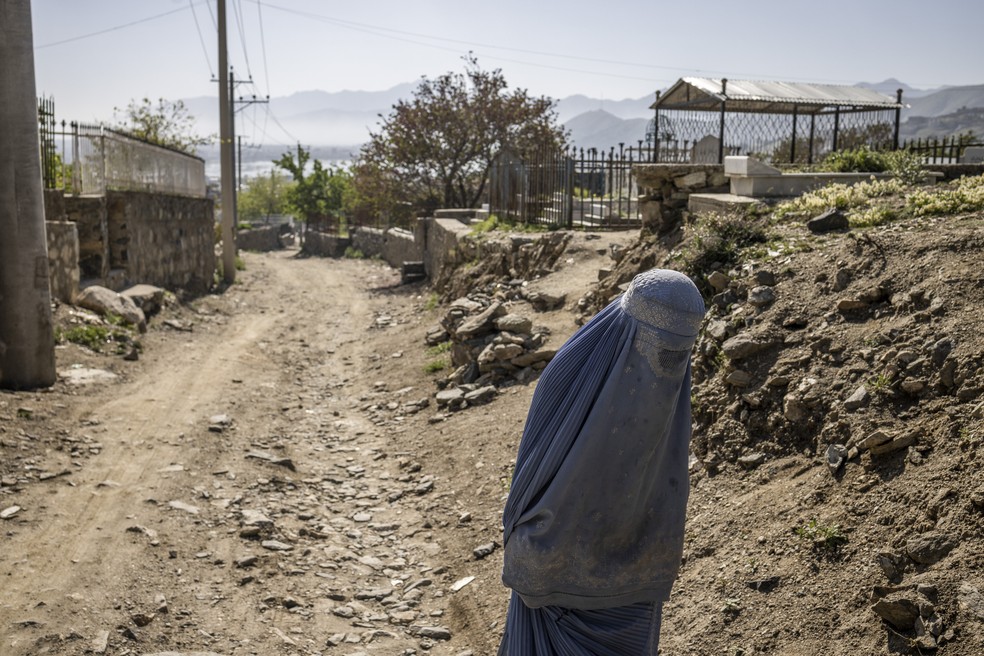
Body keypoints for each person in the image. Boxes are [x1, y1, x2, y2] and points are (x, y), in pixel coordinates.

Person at [498, 268, 705, 655]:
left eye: (679, 352)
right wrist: (534, 545)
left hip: (634, 581)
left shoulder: (672, 400)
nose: (668, 362)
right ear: (627, 327)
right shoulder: (572, 373)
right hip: (553, 579)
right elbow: (532, 473)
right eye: (658, 345)